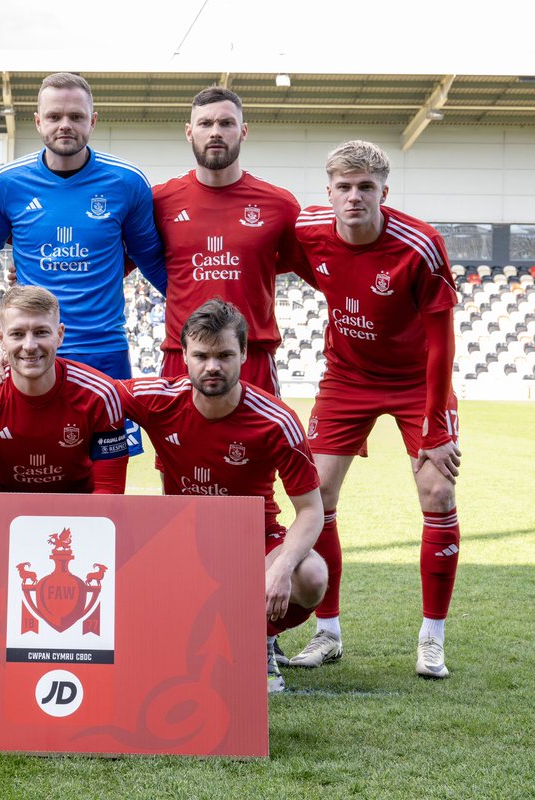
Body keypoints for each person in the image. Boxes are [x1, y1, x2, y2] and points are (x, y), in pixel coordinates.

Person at [289, 140, 461, 679]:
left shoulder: (420, 245)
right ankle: (328, 631)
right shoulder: (308, 231)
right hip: (347, 377)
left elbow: (442, 341)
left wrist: (435, 425)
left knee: (438, 490)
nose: (355, 196)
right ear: (330, 192)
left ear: (384, 192)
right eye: (345, 187)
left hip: (416, 381)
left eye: (366, 187)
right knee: (317, 494)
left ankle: (431, 637)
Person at [115, 299, 327, 693]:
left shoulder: (275, 420)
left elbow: (311, 511)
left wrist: (279, 570)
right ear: (184, 357)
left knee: (311, 576)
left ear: (244, 354)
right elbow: (89, 390)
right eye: (202, 355)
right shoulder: (157, 399)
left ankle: (257, 641)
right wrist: (8, 363)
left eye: (225, 355)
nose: (212, 366)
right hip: (181, 542)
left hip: (255, 544)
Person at [0, 72, 166, 453]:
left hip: (104, 353)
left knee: (107, 478)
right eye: (55, 116)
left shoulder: (126, 182)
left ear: (93, 119)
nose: (65, 125)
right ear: (38, 121)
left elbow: (151, 260)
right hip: (33, 352)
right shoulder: (8, 183)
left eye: (75, 116)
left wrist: (205, 307)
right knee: (29, 469)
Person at [153, 86, 306, 394]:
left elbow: (310, 267)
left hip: (252, 358)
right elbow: (120, 261)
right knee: (178, 443)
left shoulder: (278, 204)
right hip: (181, 358)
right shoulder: (159, 201)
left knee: (265, 443)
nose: (215, 132)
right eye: (205, 123)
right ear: (189, 131)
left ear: (243, 131)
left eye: (226, 123)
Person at [0, 285, 127, 493]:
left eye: (41, 332)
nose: (30, 345)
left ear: (60, 335)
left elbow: (109, 494)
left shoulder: (100, 395)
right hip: (0, 504)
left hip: (78, 508)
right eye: (17, 334)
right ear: (1, 339)